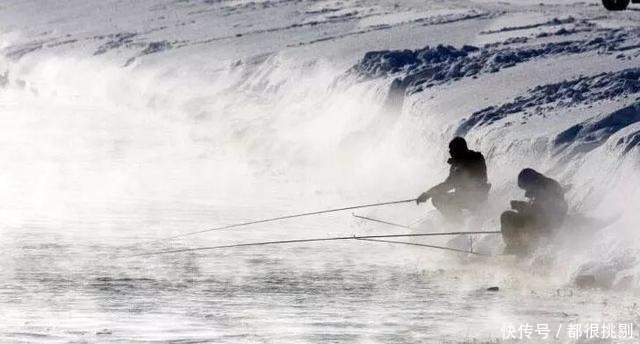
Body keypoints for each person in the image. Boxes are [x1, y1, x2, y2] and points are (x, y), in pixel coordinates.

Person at [416, 137, 491, 222]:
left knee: (437, 199)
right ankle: (457, 219)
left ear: (459, 150)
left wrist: (428, 194)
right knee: (439, 196)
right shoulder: (470, 159)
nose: (449, 152)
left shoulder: (468, 162)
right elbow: (448, 182)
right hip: (470, 196)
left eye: (451, 149)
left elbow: (449, 184)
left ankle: (457, 222)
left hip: (474, 198)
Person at [501, 168, 568, 255]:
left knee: (507, 216)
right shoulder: (545, 184)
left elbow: (541, 211)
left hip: (546, 225)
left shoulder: (545, 188)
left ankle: (515, 249)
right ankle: (516, 248)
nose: (526, 191)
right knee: (516, 220)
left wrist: (521, 206)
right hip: (546, 223)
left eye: (525, 187)